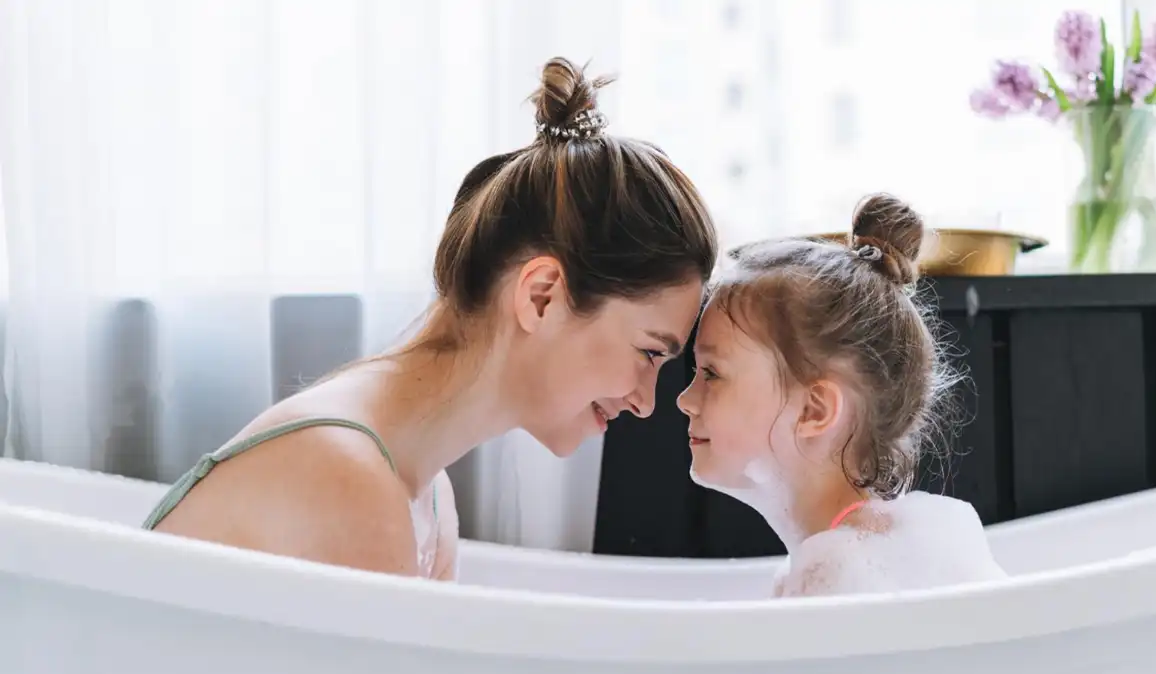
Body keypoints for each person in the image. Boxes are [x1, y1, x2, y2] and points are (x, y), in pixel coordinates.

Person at [142, 57, 718, 580]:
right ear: (540, 296)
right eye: (649, 353)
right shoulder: (349, 480)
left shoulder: (425, 495)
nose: (646, 402)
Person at [676, 193, 1005, 597]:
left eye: (711, 373)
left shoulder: (834, 576)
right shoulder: (846, 560)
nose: (684, 400)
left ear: (814, 410)